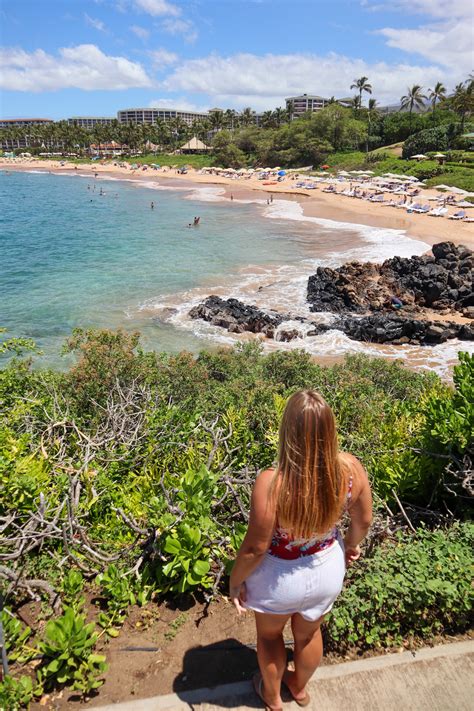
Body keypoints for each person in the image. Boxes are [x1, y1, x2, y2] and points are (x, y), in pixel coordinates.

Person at [229, 390, 372, 710]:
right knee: (308, 636)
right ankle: (299, 687)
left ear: (287, 431)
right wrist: (350, 546)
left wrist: (236, 581)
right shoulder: (350, 470)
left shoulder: (273, 482)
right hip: (327, 568)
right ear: (330, 430)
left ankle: (272, 696)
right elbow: (363, 521)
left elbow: (255, 548)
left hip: (277, 576)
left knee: (269, 638)